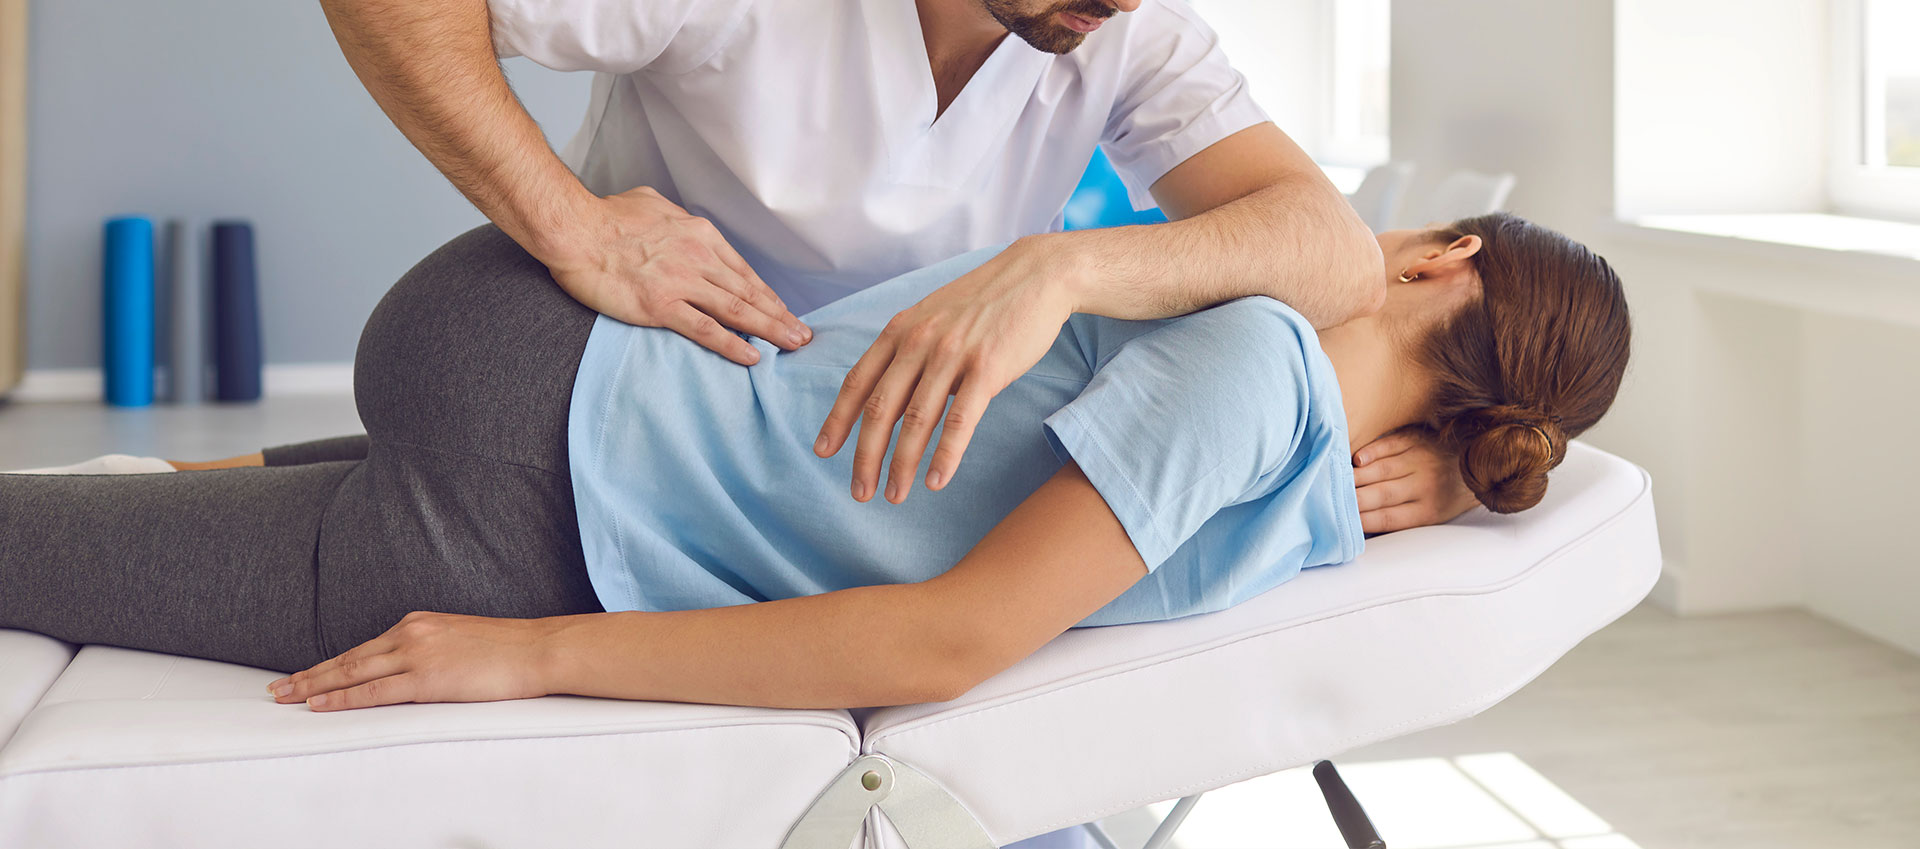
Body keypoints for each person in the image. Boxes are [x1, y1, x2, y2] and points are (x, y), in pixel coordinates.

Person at [0, 212, 1629, 716]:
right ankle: (223, 479)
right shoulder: (1270, 407)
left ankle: (211, 471)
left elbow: (945, 631)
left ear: (1443, 256)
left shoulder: (1257, 387)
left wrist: (529, 651)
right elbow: (952, 629)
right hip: (533, 460)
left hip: (544, 420)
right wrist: (528, 646)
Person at [315, 0, 1481, 533]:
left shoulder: (1124, 34)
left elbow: (1328, 248)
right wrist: (574, 226)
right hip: (627, 390)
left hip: (849, 449)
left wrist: (1057, 270)